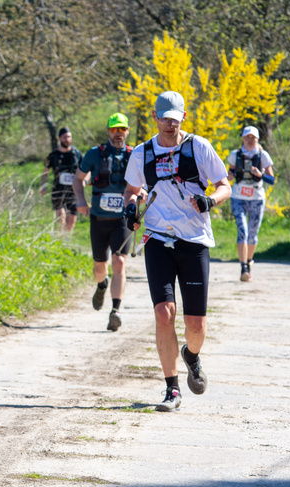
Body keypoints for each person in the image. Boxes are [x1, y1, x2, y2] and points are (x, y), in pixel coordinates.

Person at [123, 91, 231, 412]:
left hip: (194, 241)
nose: (169, 123)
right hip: (157, 238)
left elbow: (224, 184)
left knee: (195, 325)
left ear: (183, 117)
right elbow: (131, 190)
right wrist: (131, 209)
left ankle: (192, 356)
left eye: (175, 117)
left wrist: (211, 200)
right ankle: (171, 390)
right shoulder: (142, 153)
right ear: (155, 118)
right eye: (164, 117)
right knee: (163, 312)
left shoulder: (198, 147)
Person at [73, 113, 134, 332]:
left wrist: (143, 193)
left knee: (119, 262)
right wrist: (80, 201)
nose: (118, 134)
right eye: (114, 129)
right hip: (98, 219)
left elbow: (144, 182)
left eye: (122, 129)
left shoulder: (134, 155)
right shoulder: (93, 154)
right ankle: (101, 285)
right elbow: (78, 179)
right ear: (108, 131)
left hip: (122, 219)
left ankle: (115, 310)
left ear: (127, 131)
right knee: (100, 267)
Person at [227, 126, 274, 282]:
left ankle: (248, 261)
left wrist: (260, 175)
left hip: (256, 197)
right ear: (243, 138)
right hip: (238, 197)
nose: (250, 140)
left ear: (257, 140)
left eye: (253, 138)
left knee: (252, 235)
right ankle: (243, 267)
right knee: (243, 231)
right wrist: (226, 178)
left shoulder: (263, 156)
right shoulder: (235, 155)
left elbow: (272, 180)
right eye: (247, 137)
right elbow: (230, 174)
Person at [41, 127, 83, 234]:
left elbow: (87, 170)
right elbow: (45, 172)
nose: (67, 139)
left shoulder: (76, 154)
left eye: (69, 137)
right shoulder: (53, 155)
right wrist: (43, 186)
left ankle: (66, 240)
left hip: (73, 191)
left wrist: (84, 181)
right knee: (61, 218)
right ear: (59, 138)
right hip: (58, 191)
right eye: (64, 137)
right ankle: (60, 240)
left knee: (71, 222)